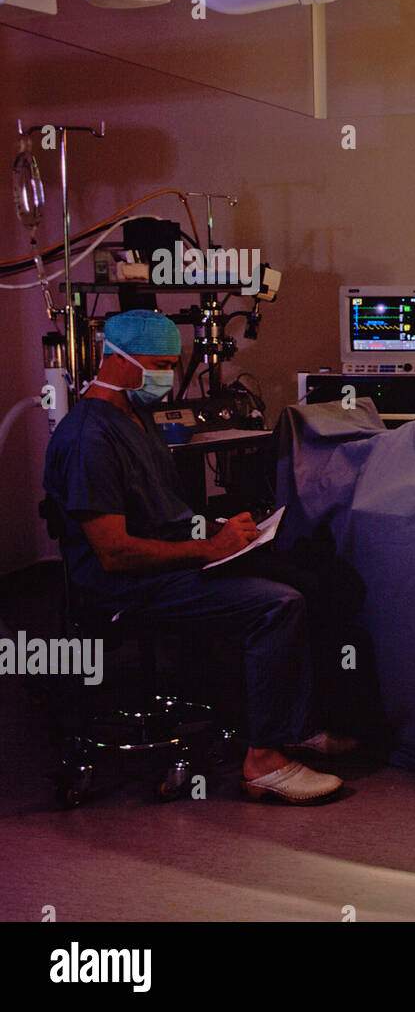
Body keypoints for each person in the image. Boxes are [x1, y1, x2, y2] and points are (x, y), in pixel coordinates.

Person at [43, 309, 352, 805]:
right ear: (121, 361)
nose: (167, 377)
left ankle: (295, 723)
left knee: (317, 578)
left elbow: (162, 512)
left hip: (174, 560)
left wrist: (225, 532)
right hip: (127, 584)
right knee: (278, 604)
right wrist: (209, 549)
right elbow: (114, 552)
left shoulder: (133, 416)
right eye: (160, 364)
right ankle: (263, 762)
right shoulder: (88, 439)